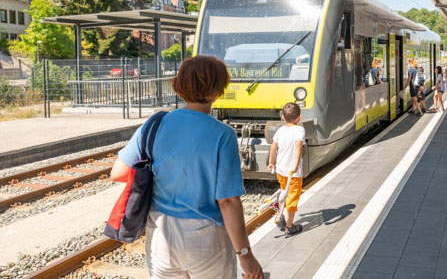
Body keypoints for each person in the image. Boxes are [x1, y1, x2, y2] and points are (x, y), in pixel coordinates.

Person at [110, 56, 263, 279]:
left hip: (160, 234)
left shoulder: (155, 123)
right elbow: (228, 201)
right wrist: (245, 254)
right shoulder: (222, 134)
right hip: (206, 239)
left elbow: (118, 173)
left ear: (180, 87)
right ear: (218, 91)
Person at [267, 102, 305, 236]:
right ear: (299, 117)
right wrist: (295, 166)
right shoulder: (299, 130)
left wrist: (271, 162)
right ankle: (289, 227)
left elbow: (273, 147)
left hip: (280, 170)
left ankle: (281, 214)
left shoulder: (280, 130)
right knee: (292, 198)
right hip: (292, 173)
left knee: (284, 193)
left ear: (282, 116)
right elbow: (298, 146)